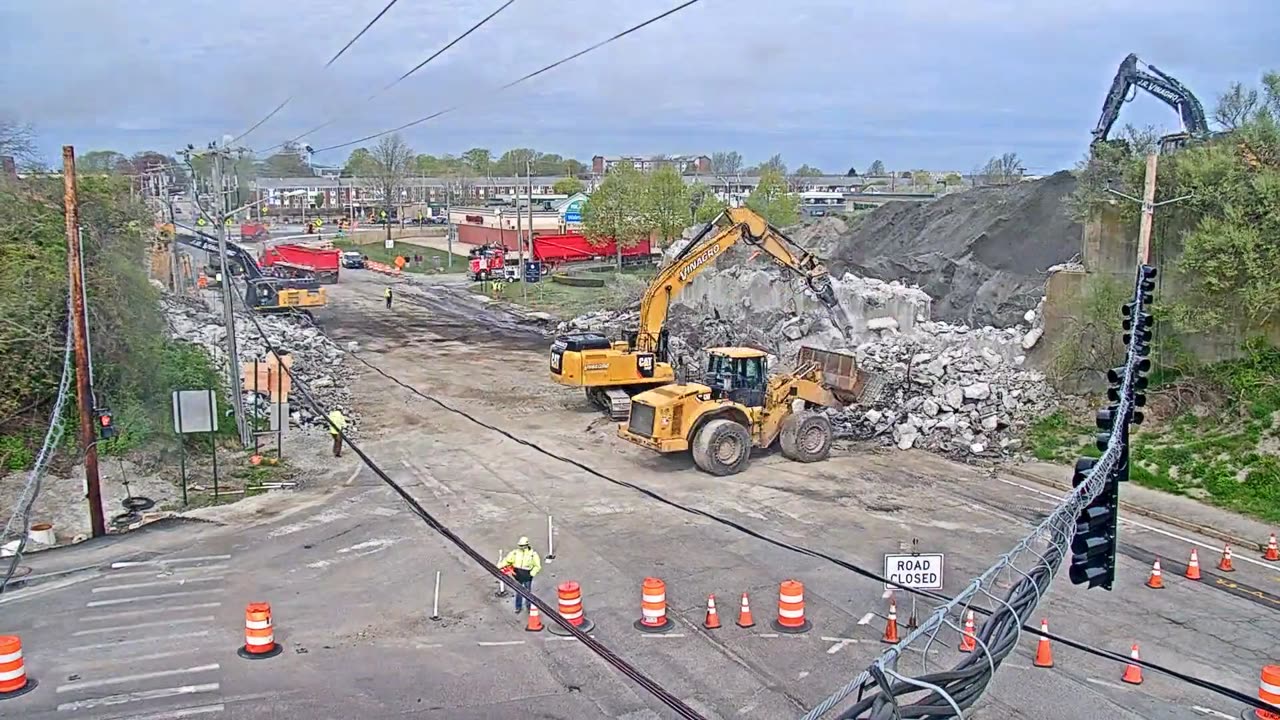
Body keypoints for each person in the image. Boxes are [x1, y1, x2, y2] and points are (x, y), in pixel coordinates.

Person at [501, 537, 542, 613]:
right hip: (518, 575)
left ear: (527, 545)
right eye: (521, 546)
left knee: (527, 592)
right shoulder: (515, 553)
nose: (521, 547)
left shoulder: (532, 554)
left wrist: (531, 574)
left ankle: (529, 607)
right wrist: (499, 566)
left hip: (527, 575)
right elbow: (507, 560)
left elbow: (537, 566)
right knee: (518, 591)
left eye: (523, 546)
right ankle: (518, 607)